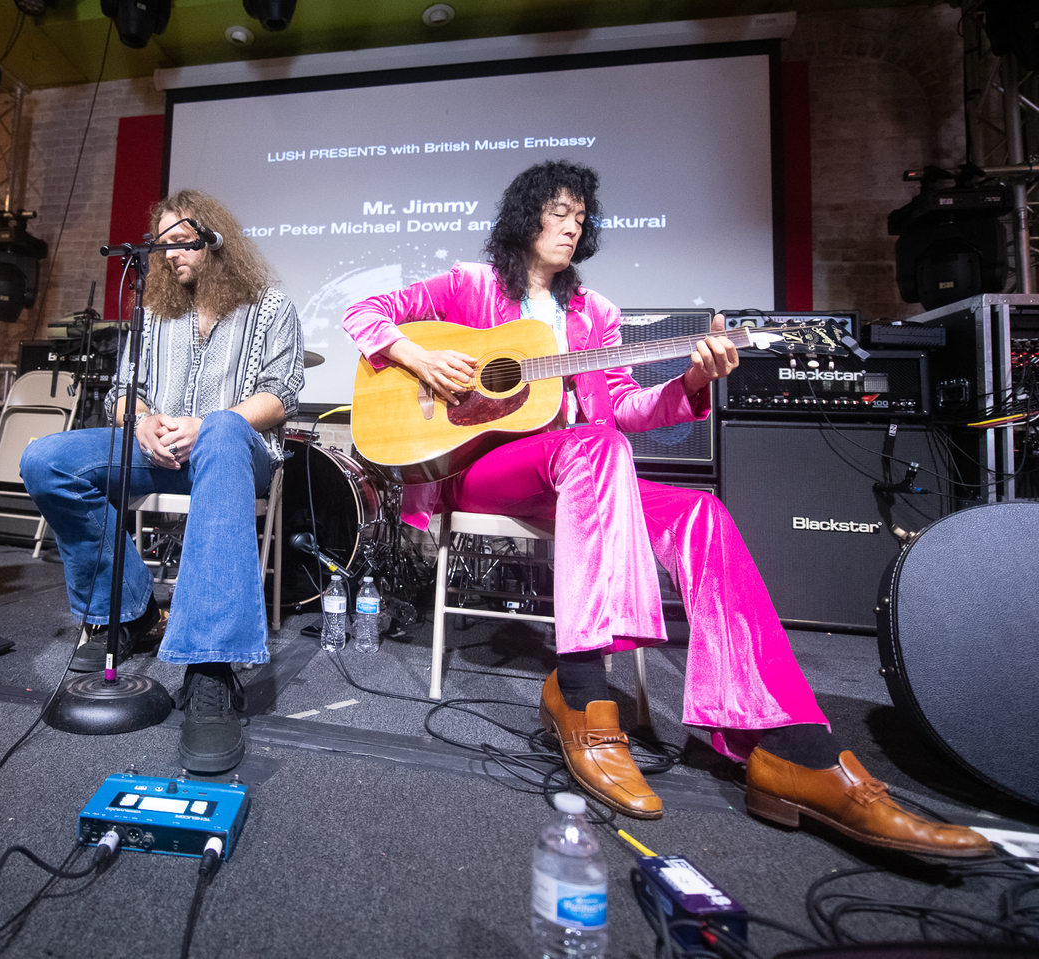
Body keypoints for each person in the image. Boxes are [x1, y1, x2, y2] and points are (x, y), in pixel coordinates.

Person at [343, 160, 990, 858]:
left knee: (700, 514)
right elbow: (362, 314)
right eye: (559, 210)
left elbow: (623, 408)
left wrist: (691, 378)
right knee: (594, 449)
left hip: (588, 479)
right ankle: (587, 688)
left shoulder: (597, 316)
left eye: (582, 217)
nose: (571, 225)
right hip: (489, 471)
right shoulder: (469, 287)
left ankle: (786, 745)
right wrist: (420, 357)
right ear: (526, 214)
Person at [21, 190, 305, 774]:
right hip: (159, 447)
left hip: (234, 449)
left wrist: (209, 424)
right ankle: (126, 614)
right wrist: (142, 420)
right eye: (162, 245)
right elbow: (125, 392)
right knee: (47, 459)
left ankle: (211, 671)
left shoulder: (271, 304)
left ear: (216, 239)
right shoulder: (154, 314)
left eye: (181, 242)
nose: (169, 254)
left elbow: (281, 396)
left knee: (223, 431)